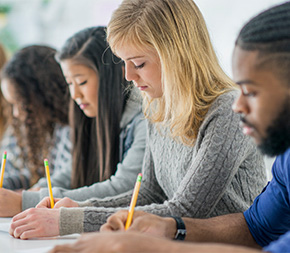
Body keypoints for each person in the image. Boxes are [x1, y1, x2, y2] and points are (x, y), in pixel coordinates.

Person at [9, 0, 266, 240]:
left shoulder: (227, 111)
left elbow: (187, 211)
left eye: (139, 64)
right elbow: (148, 193)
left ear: (177, 55)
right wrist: (80, 207)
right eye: (124, 63)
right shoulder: (156, 104)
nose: (129, 75)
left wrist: (70, 220)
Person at [0, 27, 146, 214]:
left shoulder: (142, 120)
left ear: (112, 76)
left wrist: (25, 200)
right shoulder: (89, 116)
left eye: (82, 82)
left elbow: (123, 187)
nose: (75, 95)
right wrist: (37, 190)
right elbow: (71, 171)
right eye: (70, 83)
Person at [0, 45, 71, 192]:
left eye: (23, 104)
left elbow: (64, 180)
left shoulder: (71, 129)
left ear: (44, 94)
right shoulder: (47, 129)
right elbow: (34, 174)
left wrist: (24, 198)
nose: (16, 113)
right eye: (12, 105)